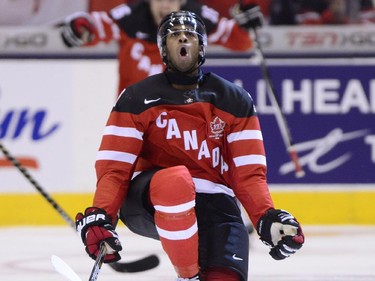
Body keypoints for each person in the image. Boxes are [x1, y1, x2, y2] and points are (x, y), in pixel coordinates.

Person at [75, 10, 305, 281]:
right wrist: (102, 215)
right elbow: (115, 168)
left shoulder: (234, 99)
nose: (182, 39)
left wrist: (266, 216)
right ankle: (187, 276)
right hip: (148, 200)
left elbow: (248, 173)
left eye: (190, 35)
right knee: (177, 182)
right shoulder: (136, 98)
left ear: (202, 45)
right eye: (174, 35)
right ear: (162, 47)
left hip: (216, 206)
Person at [60, 0, 263, 95]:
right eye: (158, 0)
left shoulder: (196, 16)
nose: (165, 6)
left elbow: (239, 41)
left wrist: (246, 23)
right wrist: (80, 28)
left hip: (179, 113)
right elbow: (96, 27)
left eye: (171, 0)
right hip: (133, 113)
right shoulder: (132, 16)